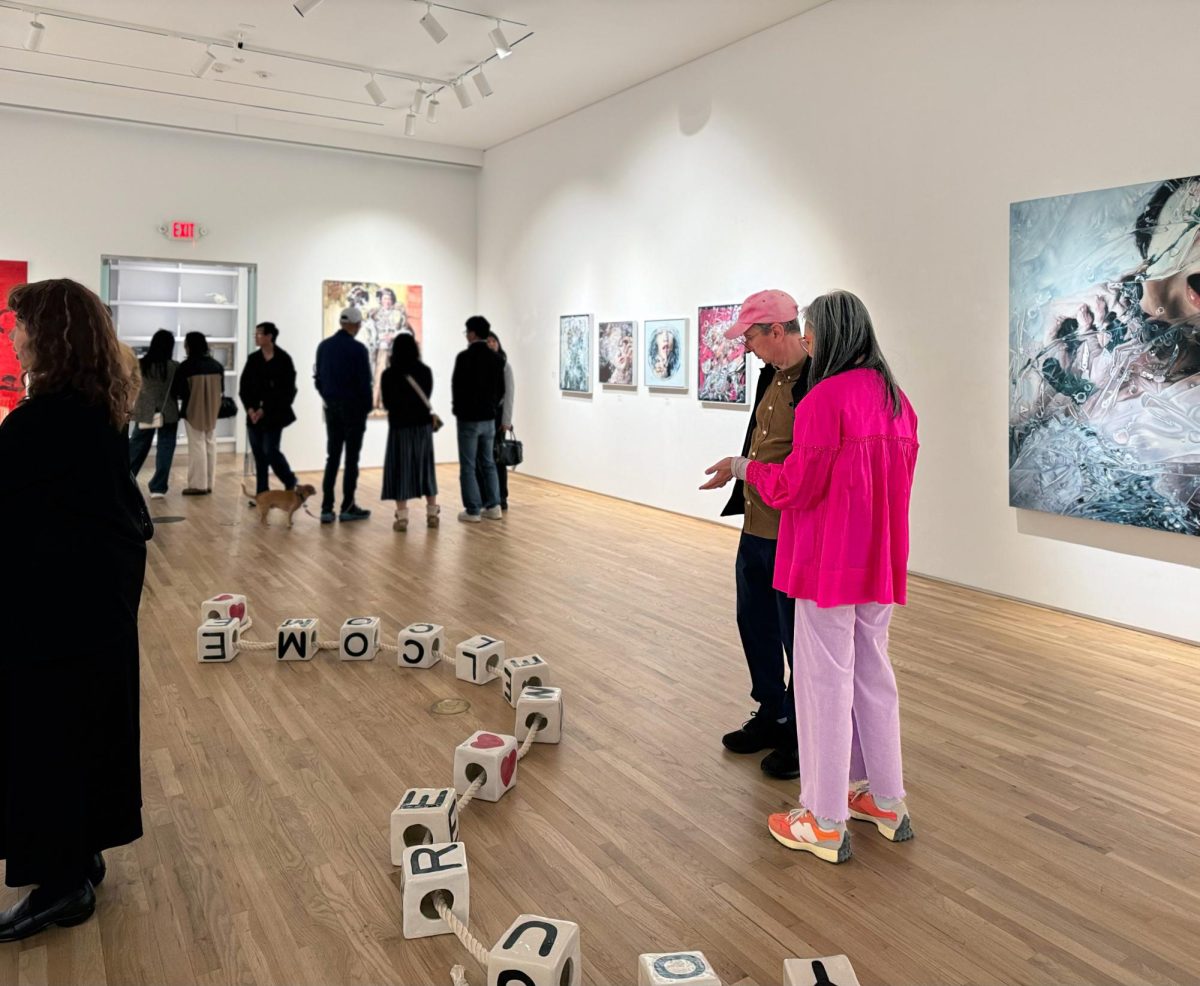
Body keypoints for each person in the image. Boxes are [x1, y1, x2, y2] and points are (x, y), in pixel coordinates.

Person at [705, 290, 919, 864]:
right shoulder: (899, 403)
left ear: (832, 335)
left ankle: (824, 818)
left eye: (815, 334)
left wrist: (746, 468)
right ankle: (885, 797)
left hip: (828, 562)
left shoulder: (824, 400)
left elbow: (795, 485)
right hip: (881, 561)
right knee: (874, 673)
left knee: (825, 682)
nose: (811, 343)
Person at [0, 278, 151, 940]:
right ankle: (79, 852)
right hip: (90, 611)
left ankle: (63, 885)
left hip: (53, 617)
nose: (14, 337)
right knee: (83, 728)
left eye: (22, 327)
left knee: (46, 738)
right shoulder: (92, 414)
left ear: (52, 338)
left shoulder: (42, 424)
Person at [699, 289, 811, 780]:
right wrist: (737, 470)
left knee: (796, 639)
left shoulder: (816, 383)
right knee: (756, 625)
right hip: (756, 527)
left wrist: (743, 466)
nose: (745, 348)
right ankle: (772, 712)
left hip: (793, 534)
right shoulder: (771, 375)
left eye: (750, 337)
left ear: (778, 330)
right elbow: (766, 444)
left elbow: (806, 465)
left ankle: (801, 733)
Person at [314, 307, 372, 523]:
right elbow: (365, 383)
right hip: (354, 410)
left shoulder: (324, 347)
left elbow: (318, 379)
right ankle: (348, 506)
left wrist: (328, 398)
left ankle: (326, 508)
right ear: (355, 325)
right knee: (351, 459)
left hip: (332, 408)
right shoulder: (358, 349)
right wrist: (365, 408)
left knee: (333, 457)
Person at [380, 333, 440, 531]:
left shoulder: (388, 375)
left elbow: (388, 404)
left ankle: (402, 518)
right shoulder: (425, 371)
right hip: (422, 427)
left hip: (400, 428)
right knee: (426, 469)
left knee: (401, 470)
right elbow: (427, 397)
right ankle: (432, 513)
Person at [451, 315, 505, 523]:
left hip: (469, 419)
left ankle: (473, 509)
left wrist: (459, 411)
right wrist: (491, 407)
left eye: (467, 332)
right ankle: (494, 505)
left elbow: (457, 388)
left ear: (472, 333)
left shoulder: (464, 358)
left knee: (468, 465)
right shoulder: (496, 359)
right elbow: (501, 390)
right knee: (489, 463)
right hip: (489, 419)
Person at [239, 321, 299, 500]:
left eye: (259, 334)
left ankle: (289, 479)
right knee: (259, 455)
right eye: (255, 334)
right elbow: (244, 387)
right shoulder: (253, 359)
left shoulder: (283, 359)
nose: (256, 337)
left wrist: (264, 410)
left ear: (269, 336)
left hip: (274, 415)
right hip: (254, 416)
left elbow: (288, 390)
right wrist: (250, 409)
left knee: (270, 450)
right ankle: (262, 494)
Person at [129, 329, 180, 499]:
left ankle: (126, 479)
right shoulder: (174, 367)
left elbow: (133, 386)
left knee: (136, 447)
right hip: (169, 411)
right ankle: (158, 487)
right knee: (166, 448)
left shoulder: (141, 364)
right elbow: (179, 391)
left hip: (145, 410)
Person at [176, 331, 224, 496]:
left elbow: (180, 392)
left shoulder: (186, 367)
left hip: (192, 410)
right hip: (212, 410)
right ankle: (209, 483)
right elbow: (221, 390)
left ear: (189, 346)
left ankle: (198, 485)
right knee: (210, 443)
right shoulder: (217, 365)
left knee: (197, 445)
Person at [476, 330, 515, 511]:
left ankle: (501, 497)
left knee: (497, 458)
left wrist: (506, 420)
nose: (491, 344)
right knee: (481, 459)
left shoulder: (505, 366)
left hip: (497, 417)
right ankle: (485, 498)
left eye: (494, 341)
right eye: (488, 341)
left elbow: (509, 395)